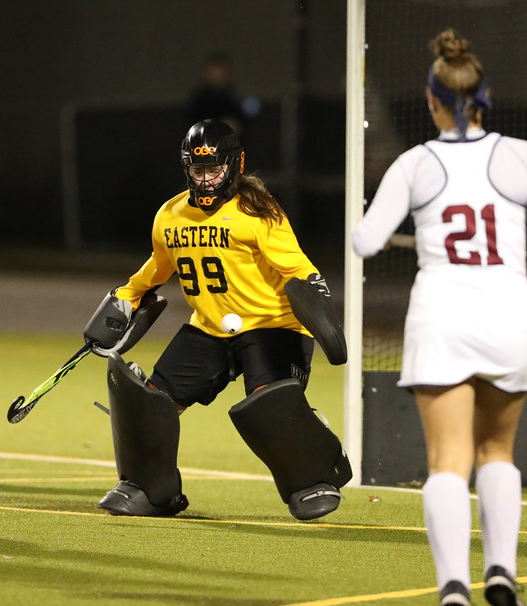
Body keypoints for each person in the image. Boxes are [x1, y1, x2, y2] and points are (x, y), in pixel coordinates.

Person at [350, 29, 527, 606]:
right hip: (509, 315)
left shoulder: (414, 163)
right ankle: (501, 573)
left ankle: (453, 587)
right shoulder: (523, 155)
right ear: (484, 97)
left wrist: (381, 227)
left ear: (432, 100)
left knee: (446, 462)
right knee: (497, 453)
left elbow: (365, 241)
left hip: (442, 318)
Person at [82, 119, 351, 521]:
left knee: (268, 407)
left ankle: (314, 475)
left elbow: (298, 270)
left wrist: (325, 322)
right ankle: (150, 489)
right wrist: (126, 296)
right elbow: (158, 266)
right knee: (148, 402)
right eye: (197, 170)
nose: (206, 180)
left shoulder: (259, 212)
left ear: (234, 165)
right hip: (208, 329)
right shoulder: (170, 216)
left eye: (214, 170)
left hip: (271, 327)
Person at [187, 52, 246, 135]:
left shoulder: (232, 98)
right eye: (213, 75)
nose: (218, 80)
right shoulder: (199, 102)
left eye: (221, 75)